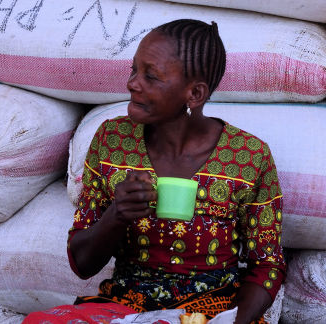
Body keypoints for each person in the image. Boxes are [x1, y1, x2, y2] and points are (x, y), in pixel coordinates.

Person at [24, 19, 285, 324]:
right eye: (134, 70)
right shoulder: (112, 141)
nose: (133, 83)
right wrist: (117, 215)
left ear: (195, 94)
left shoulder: (249, 156)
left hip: (210, 311)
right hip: (124, 307)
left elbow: (268, 265)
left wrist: (232, 322)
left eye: (151, 76)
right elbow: (82, 263)